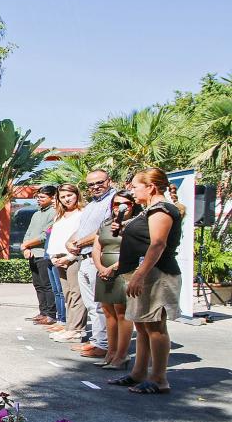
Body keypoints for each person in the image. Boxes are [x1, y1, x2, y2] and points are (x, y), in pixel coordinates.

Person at [110, 168, 184, 394]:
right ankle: (138, 373)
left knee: (155, 326)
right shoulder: (149, 210)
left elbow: (158, 244)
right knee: (142, 326)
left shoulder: (162, 209)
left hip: (157, 275)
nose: (132, 191)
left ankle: (159, 378)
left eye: (135, 186)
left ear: (150, 187)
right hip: (142, 274)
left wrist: (140, 275)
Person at [65, 169, 116, 359]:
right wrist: (70, 241)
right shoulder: (92, 205)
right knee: (91, 305)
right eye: (91, 184)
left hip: (99, 258)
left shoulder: (113, 201)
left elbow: (104, 231)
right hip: (84, 258)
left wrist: (78, 243)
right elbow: (82, 230)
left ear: (108, 181)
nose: (95, 187)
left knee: (101, 305)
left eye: (99, 182)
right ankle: (97, 341)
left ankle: (103, 345)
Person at [93, 191, 140, 370]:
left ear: (132, 205)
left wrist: (113, 268)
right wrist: (100, 267)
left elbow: (135, 250)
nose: (120, 207)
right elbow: (97, 247)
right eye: (116, 203)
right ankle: (110, 353)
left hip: (124, 268)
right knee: (108, 311)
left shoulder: (136, 224)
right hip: (104, 268)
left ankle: (122, 354)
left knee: (122, 311)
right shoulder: (105, 224)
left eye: (126, 204)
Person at [47, 184, 87, 343]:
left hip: (73, 258)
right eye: (62, 197)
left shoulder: (82, 214)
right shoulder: (59, 216)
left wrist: (69, 257)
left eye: (69, 195)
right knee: (67, 294)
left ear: (77, 194)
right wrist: (53, 257)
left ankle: (77, 330)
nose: (66, 199)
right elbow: (55, 238)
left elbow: (81, 238)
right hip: (58, 258)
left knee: (77, 294)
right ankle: (70, 326)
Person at [21, 186, 59, 325]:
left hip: (43, 253)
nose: (39, 199)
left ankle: (51, 314)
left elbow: (45, 235)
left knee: (47, 285)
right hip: (32, 253)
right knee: (38, 284)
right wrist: (25, 247)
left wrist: (26, 245)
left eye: (42, 197)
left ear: (52, 197)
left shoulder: (54, 213)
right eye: (38, 197)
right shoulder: (36, 214)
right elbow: (29, 232)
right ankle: (42, 312)